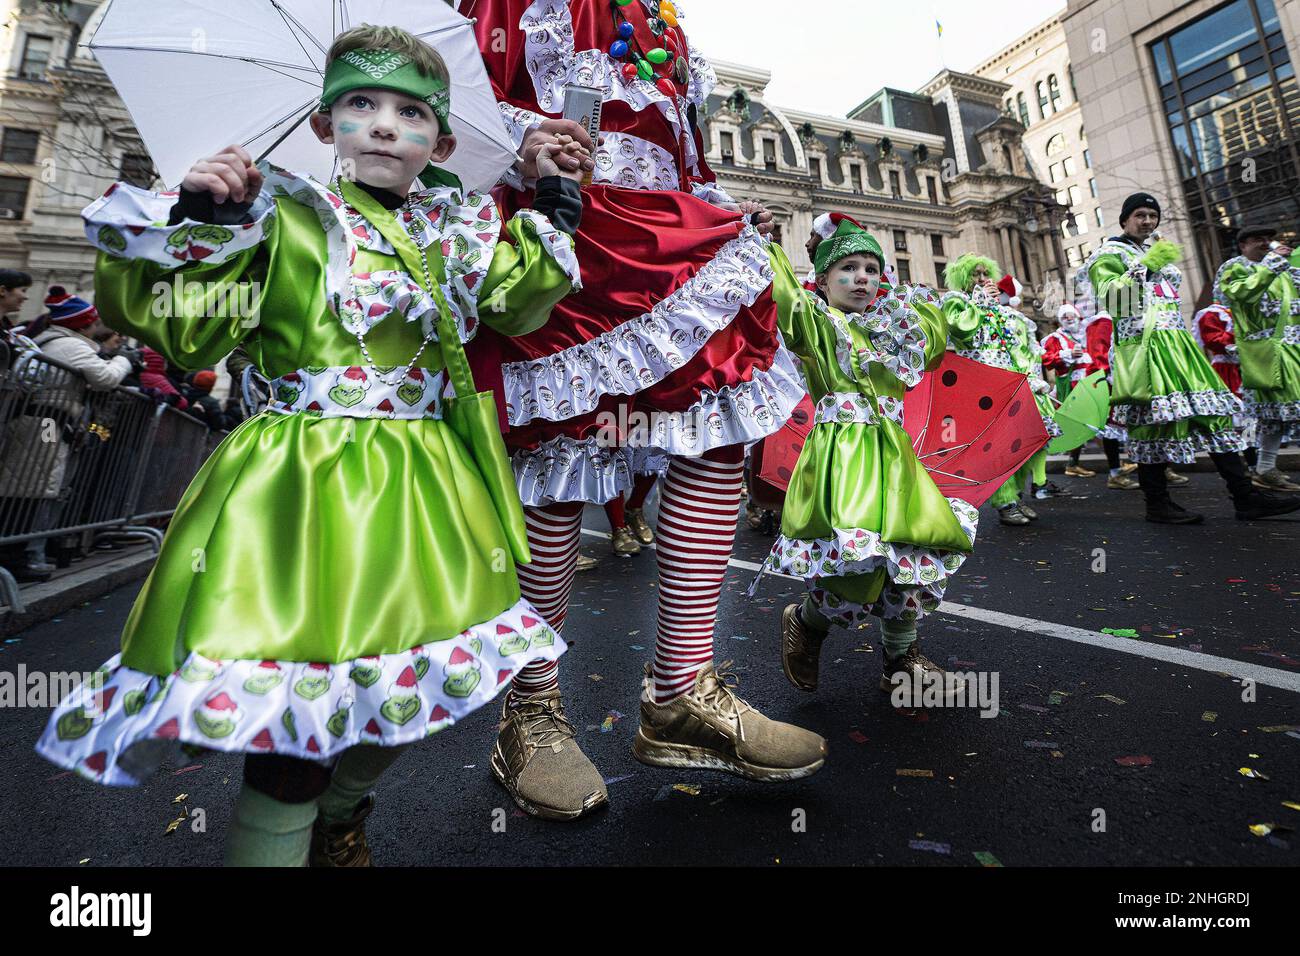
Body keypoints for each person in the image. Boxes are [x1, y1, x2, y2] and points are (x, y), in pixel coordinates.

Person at [36, 24, 590, 867]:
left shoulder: (458, 229)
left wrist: (552, 205)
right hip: (298, 493)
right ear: (325, 125)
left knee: (428, 685)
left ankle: (342, 811)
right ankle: (293, 827)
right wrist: (204, 222)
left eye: (408, 112)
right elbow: (188, 338)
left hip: (425, 492)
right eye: (358, 104)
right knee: (292, 723)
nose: (381, 124)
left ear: (439, 141)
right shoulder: (282, 218)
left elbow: (517, 306)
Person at [466, 0, 824, 818]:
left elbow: (679, 150)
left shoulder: (661, 20)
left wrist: (722, 200)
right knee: (558, 454)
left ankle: (680, 693)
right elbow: (452, 100)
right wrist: (528, 144)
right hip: (562, 223)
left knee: (716, 426)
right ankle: (531, 711)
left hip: (671, 236)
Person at [765, 214, 977, 699]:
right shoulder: (818, 325)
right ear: (821, 279)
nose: (862, 278)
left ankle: (902, 659)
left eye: (872, 269)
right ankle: (806, 621)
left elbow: (933, 338)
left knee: (910, 557)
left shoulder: (890, 330)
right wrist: (768, 245)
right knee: (855, 568)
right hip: (843, 460)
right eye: (848, 268)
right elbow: (786, 303)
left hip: (895, 458)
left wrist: (903, 302)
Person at [1083, 193, 1300, 523]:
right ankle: (1157, 504)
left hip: (1179, 346)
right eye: (1139, 215)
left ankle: (1246, 497)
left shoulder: (1155, 251)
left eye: (1152, 215)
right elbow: (1116, 301)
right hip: (1143, 349)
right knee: (1151, 423)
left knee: (1214, 416)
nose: (1147, 221)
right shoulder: (1110, 254)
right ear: (1124, 220)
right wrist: (1151, 263)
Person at [941, 257, 1060, 526]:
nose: (983, 278)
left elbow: (1013, 347)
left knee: (1020, 443)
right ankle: (1005, 502)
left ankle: (1016, 497)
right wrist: (980, 303)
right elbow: (961, 330)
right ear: (963, 278)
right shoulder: (954, 301)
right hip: (981, 384)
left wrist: (1030, 379)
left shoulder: (999, 310)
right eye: (975, 274)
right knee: (996, 448)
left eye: (986, 273)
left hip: (1010, 383)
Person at [1211, 223, 1300, 492]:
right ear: (1243, 245)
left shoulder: (1284, 270)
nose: (1265, 243)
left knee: (1277, 417)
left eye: (1268, 239)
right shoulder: (1234, 267)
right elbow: (1239, 294)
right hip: (1264, 354)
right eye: (1258, 239)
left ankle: (1264, 468)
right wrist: (1272, 265)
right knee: (1272, 414)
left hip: (1293, 350)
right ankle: (1263, 468)